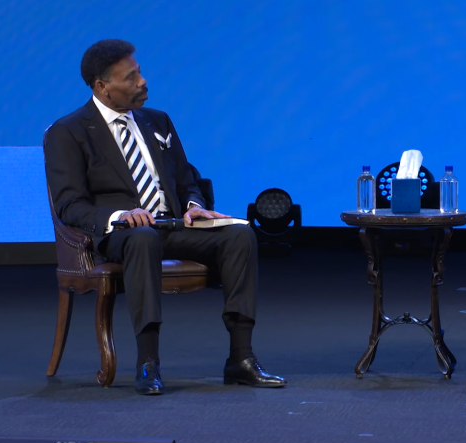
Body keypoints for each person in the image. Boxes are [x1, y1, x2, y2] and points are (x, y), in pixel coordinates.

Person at [44, 39, 286, 395]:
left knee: (239, 234)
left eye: (139, 72)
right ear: (102, 86)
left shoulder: (158, 121)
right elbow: (69, 204)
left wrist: (193, 206)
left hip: (171, 225)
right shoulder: (69, 132)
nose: (142, 82)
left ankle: (241, 357)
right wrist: (121, 215)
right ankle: (148, 362)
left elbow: (187, 180)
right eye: (131, 77)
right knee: (143, 238)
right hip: (122, 234)